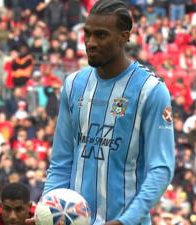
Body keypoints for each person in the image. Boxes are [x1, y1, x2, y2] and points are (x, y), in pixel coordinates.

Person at [43, 1, 175, 225]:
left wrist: (125, 221)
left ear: (124, 37)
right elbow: (61, 162)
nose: (90, 43)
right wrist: (46, 211)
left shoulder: (151, 90)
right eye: (87, 34)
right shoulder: (73, 85)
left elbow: (161, 168)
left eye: (101, 35)